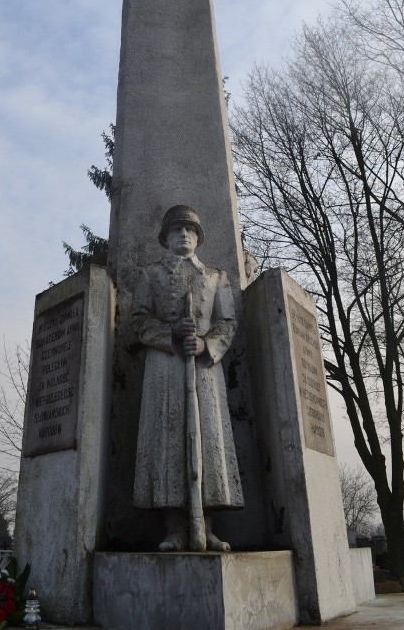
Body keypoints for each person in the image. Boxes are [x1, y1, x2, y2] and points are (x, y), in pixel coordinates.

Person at [132, 205, 243, 551]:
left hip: (205, 369)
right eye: (177, 230)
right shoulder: (150, 275)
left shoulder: (216, 276)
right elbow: (137, 320)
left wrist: (206, 345)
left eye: (190, 230)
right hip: (165, 366)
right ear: (165, 238)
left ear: (198, 238)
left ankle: (205, 525)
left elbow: (228, 322)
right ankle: (174, 527)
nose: (184, 235)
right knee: (167, 439)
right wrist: (170, 332)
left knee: (209, 439)